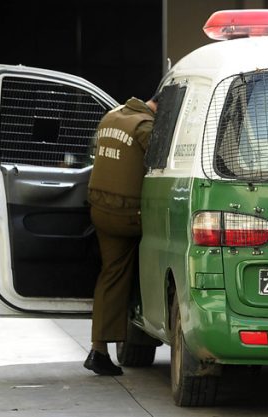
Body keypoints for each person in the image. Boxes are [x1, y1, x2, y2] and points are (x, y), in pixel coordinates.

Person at [83, 95, 158, 376]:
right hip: (129, 216)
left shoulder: (111, 117)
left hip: (100, 210)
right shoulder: (145, 127)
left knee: (112, 274)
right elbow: (163, 165)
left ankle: (99, 348)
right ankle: (145, 328)